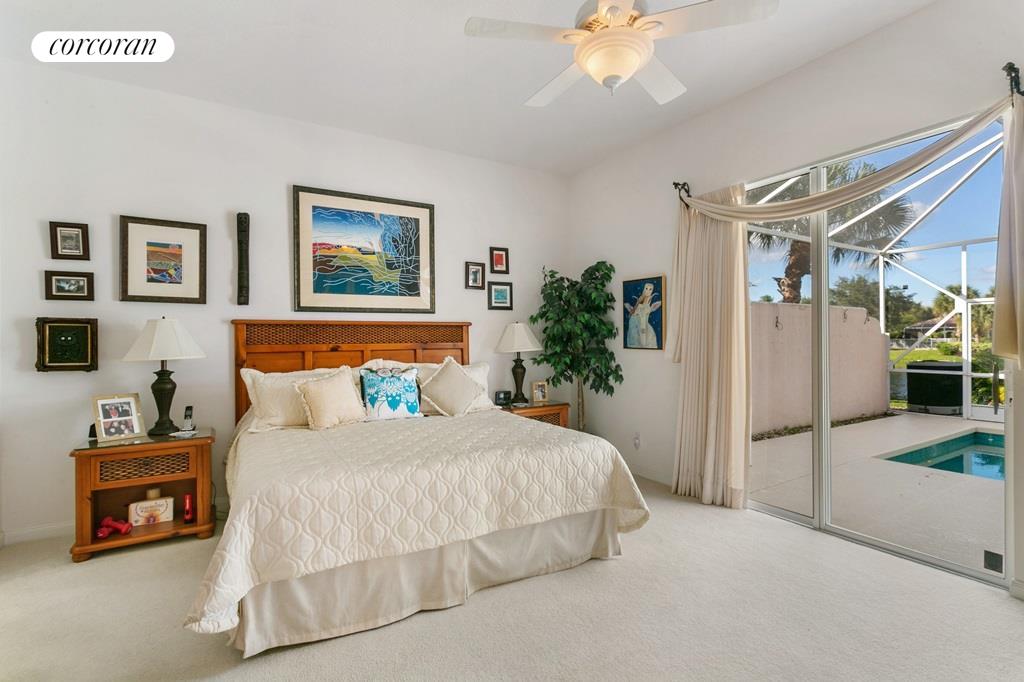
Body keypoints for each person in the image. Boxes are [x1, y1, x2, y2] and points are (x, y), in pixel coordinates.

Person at [625, 282, 662, 349]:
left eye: (650, 289)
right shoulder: (640, 299)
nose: (648, 291)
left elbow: (648, 309)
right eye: (646, 288)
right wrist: (637, 305)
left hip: (645, 324)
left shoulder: (649, 301)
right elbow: (633, 311)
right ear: (644, 289)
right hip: (637, 324)